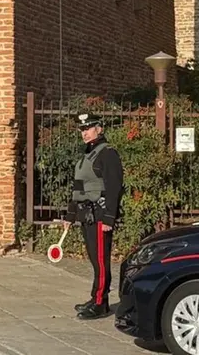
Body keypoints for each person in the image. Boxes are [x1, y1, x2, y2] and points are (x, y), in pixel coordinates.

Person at [63, 112, 124, 320]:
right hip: (86, 214)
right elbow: (78, 187)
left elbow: (114, 187)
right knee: (94, 259)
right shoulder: (87, 155)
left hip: (99, 214)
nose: (84, 133)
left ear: (99, 128)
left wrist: (109, 218)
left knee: (100, 260)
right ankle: (96, 297)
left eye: (88, 128)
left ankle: (100, 303)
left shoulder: (108, 154)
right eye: (82, 130)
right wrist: (70, 216)